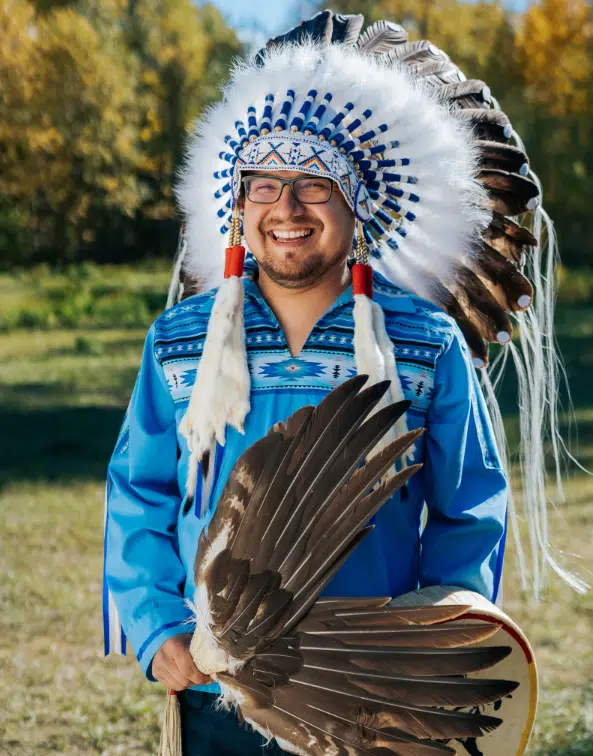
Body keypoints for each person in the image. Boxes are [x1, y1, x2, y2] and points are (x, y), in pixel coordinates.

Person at [102, 11, 569, 755]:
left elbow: (468, 506)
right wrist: (158, 626)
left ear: (357, 205)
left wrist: (436, 630)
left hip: (369, 683)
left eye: (314, 185)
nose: (285, 210)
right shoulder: (180, 344)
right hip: (212, 684)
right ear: (236, 204)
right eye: (263, 186)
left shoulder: (422, 343)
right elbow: (141, 491)